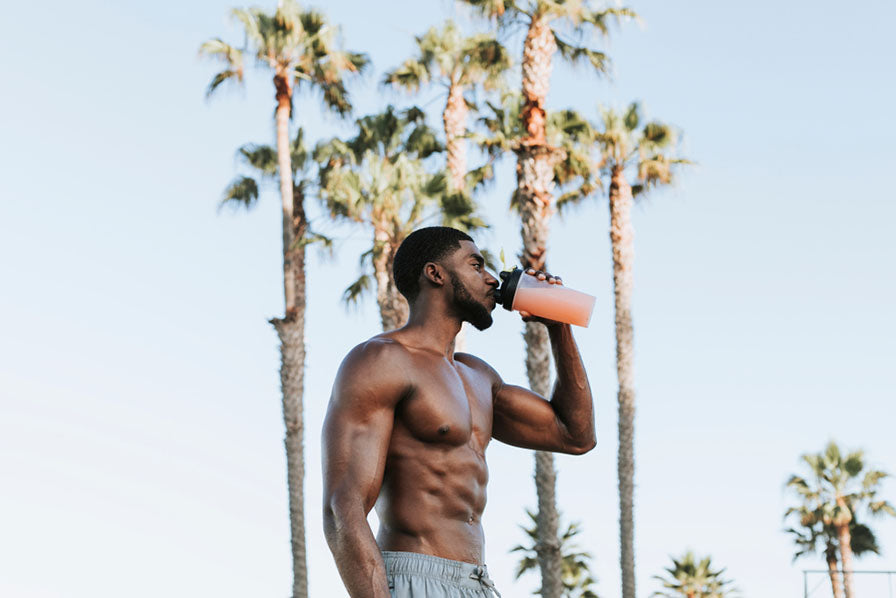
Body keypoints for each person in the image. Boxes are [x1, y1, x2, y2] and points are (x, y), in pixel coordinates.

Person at [322, 226, 595, 598]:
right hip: (412, 577)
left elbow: (575, 435)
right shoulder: (381, 360)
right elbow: (343, 509)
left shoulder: (479, 376)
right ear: (436, 274)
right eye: (476, 264)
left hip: (478, 584)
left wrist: (559, 327)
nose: (490, 278)